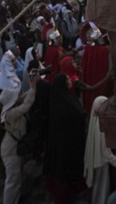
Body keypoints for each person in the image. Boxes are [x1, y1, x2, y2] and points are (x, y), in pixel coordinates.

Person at [44, 73, 87, 203]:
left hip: (72, 141)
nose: (69, 80)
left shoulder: (65, 98)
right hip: (66, 144)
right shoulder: (62, 104)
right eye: (67, 79)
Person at [0, 74, 38, 204]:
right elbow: (26, 105)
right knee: (12, 180)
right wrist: (33, 87)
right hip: (10, 150)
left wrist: (32, 87)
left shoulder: (12, 108)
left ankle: (17, 198)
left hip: (13, 146)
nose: (19, 96)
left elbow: (24, 97)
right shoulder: (10, 114)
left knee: (18, 175)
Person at [84, 96, 116, 204]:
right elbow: (105, 153)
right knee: (101, 192)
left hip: (97, 162)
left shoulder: (95, 122)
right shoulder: (101, 127)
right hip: (101, 164)